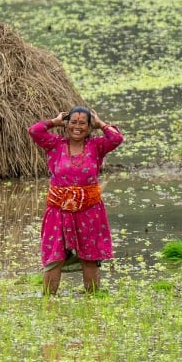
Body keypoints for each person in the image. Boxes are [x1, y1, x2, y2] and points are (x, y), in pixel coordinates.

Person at [28, 106, 124, 295]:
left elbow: (117, 138)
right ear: (66, 125)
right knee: (54, 257)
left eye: (82, 123)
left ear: (89, 128)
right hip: (58, 212)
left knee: (90, 257)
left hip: (89, 211)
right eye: (73, 122)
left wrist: (101, 124)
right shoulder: (55, 144)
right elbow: (34, 131)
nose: (77, 127)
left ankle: (92, 301)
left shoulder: (96, 146)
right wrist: (53, 122)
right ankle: (48, 301)